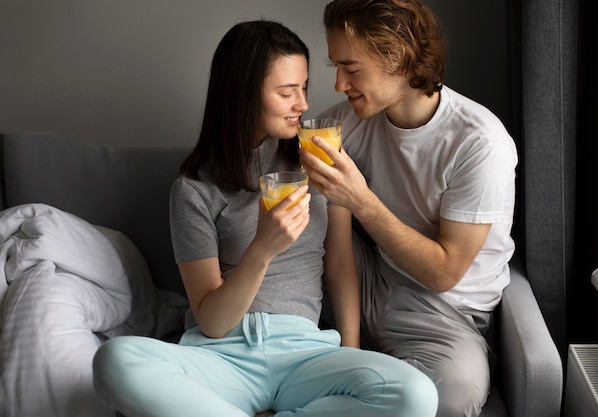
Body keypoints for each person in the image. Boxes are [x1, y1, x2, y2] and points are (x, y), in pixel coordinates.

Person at [92, 19, 438, 417]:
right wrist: (262, 248)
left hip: (306, 354)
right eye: (287, 92)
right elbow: (212, 322)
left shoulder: (321, 164)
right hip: (222, 357)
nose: (303, 105)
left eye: (304, 88)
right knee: (114, 360)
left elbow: (341, 263)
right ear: (241, 95)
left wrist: (352, 355)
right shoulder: (193, 190)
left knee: (416, 394)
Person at [298, 1, 518, 416]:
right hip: (366, 281)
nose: (339, 83)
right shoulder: (349, 121)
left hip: (444, 314)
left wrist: (359, 198)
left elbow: (444, 272)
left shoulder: (479, 143)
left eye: (351, 67)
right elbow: (286, 149)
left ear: (396, 58)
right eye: (336, 67)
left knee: (452, 397)